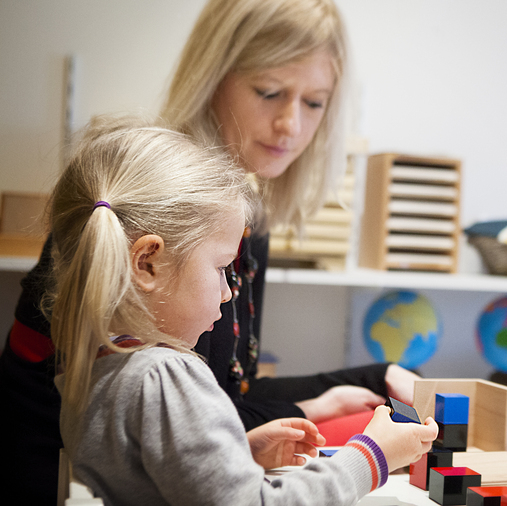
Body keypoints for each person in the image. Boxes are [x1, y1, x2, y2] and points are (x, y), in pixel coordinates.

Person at [0, 0, 419, 502]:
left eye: (315, 103)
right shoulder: (128, 211)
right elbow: (173, 410)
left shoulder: (237, 221)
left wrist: (360, 381)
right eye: (269, 92)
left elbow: (215, 399)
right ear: (214, 78)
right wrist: (366, 453)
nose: (291, 124)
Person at [51, 116, 438, 505]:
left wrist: (238, 454)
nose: (227, 293)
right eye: (221, 268)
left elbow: (152, 482)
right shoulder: (165, 375)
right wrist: (372, 457)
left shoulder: (93, 367)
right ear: (148, 263)